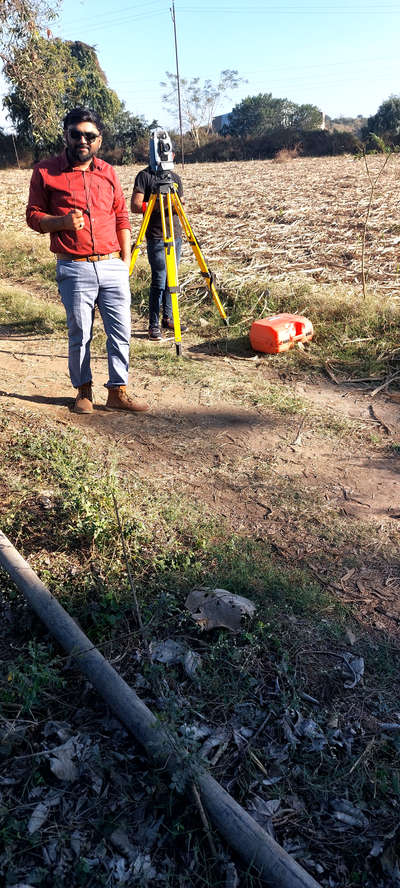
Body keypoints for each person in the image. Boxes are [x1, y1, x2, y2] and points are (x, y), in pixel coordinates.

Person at [26, 107, 149, 415]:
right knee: (80, 333)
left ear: (99, 140)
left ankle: (117, 391)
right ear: (65, 135)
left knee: (120, 331)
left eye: (89, 136)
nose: (83, 140)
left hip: (112, 265)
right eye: (76, 134)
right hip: (74, 266)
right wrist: (62, 223)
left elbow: (122, 215)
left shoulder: (107, 172)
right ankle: (83, 390)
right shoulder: (45, 171)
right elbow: (33, 216)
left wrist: (124, 260)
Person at [131, 154, 186, 341]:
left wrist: (175, 204)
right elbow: (135, 205)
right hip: (156, 235)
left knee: (173, 277)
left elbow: (180, 204)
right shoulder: (144, 176)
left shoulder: (174, 178)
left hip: (175, 235)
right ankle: (153, 324)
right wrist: (157, 205)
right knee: (160, 279)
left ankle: (168, 318)